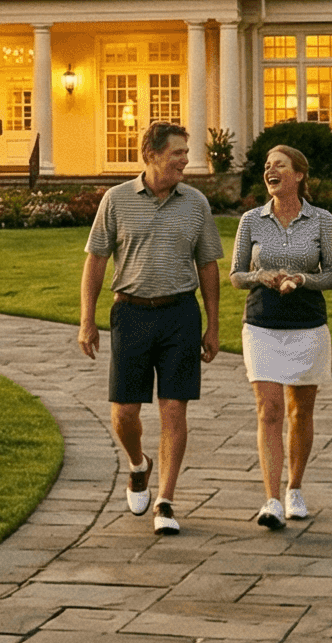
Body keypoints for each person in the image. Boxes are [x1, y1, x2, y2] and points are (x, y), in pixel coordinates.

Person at [77, 121, 223, 535]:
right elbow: (96, 262)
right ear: (153, 155)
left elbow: (208, 265)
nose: (185, 160)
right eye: (177, 153)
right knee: (124, 412)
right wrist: (87, 320)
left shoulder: (195, 203)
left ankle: (166, 501)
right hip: (131, 314)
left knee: (174, 410)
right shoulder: (117, 200)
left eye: (185, 153)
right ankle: (138, 464)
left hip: (180, 314)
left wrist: (213, 326)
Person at [231, 144, 332, 530]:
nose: (270, 171)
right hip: (262, 324)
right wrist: (262, 276)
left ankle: (295, 488)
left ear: (299, 175)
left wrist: (302, 280)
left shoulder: (322, 220)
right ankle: (272, 499)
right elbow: (236, 275)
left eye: (279, 165)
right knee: (269, 410)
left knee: (300, 411)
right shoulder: (251, 221)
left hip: (308, 325)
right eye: (267, 166)